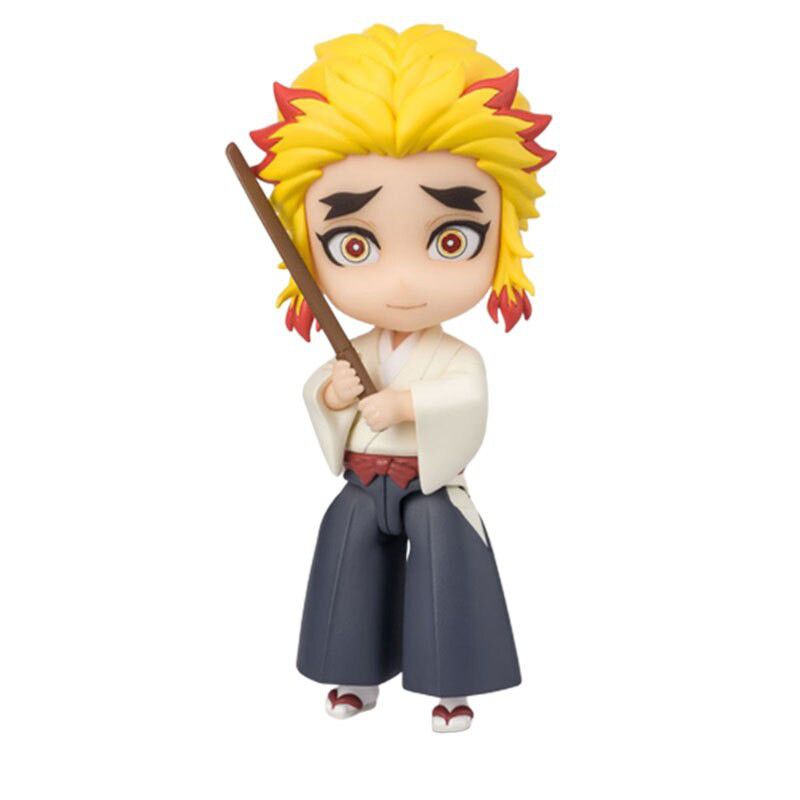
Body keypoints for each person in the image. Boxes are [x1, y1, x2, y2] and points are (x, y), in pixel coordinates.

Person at [248, 23, 554, 732]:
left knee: (450, 568)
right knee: (347, 562)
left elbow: (467, 400)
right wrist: (333, 396)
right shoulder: (354, 349)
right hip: (364, 481)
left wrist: (407, 403)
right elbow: (321, 396)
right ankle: (353, 673)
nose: (404, 280)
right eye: (354, 245)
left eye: (451, 239)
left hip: (428, 484)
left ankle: (453, 683)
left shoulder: (456, 357)